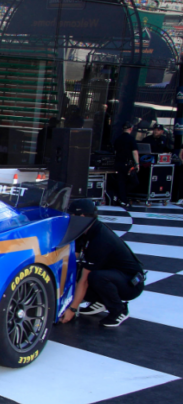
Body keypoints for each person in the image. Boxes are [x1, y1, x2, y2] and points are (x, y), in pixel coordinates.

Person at [59, 199, 145, 328]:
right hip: (114, 274)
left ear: (81, 216)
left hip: (131, 283)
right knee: (75, 269)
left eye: (71, 215)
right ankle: (100, 301)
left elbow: (85, 280)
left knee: (94, 277)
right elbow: (74, 256)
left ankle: (119, 309)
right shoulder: (87, 228)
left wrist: (72, 309)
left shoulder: (100, 239)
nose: (69, 218)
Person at [111, 123, 140, 207]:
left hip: (118, 163)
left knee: (121, 182)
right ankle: (122, 198)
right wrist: (137, 163)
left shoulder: (117, 139)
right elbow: (134, 152)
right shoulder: (131, 139)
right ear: (130, 129)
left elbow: (115, 151)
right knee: (134, 181)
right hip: (127, 164)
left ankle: (121, 197)